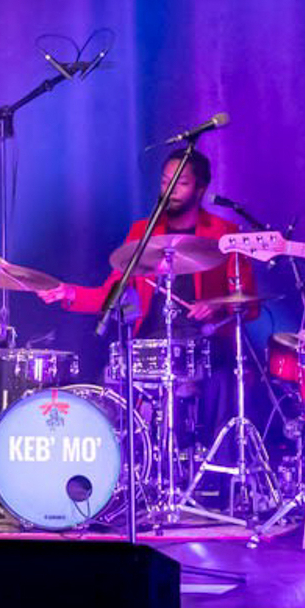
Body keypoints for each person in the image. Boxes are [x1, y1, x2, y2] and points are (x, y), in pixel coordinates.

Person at [36, 148, 258, 439]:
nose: (170, 190)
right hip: (149, 344)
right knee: (111, 377)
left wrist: (216, 306)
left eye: (181, 183)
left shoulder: (224, 233)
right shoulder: (143, 232)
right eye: (166, 182)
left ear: (200, 188)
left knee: (223, 376)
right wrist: (69, 293)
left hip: (204, 345)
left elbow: (249, 305)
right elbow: (111, 293)